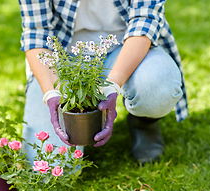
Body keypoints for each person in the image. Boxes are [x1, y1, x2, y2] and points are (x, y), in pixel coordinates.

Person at [18, 0, 188, 164]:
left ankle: (144, 123)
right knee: (49, 166)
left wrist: (112, 84)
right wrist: (52, 92)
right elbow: (36, 32)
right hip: (62, 57)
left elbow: (144, 19)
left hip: (125, 46)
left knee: (158, 85)